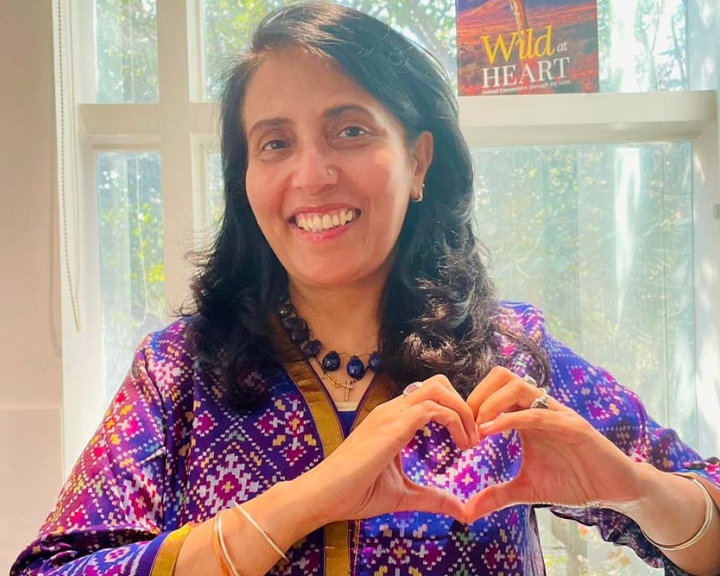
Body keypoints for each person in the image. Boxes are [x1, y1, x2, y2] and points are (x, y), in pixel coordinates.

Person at [12, 3, 720, 575]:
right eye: (275, 142)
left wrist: (637, 487)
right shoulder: (178, 372)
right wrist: (307, 500)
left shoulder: (506, 358)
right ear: (246, 180)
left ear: (418, 160)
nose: (312, 175)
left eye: (349, 130)